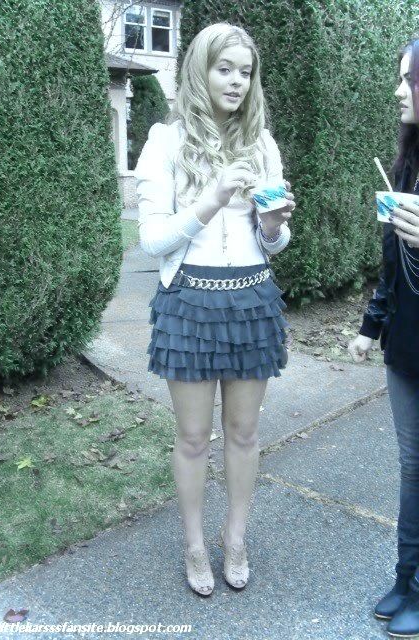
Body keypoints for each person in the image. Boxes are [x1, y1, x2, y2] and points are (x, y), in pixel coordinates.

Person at [134, 22, 295, 596]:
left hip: (252, 298)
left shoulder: (263, 146)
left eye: (245, 71)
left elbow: (273, 243)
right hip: (190, 303)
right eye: (224, 68)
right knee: (195, 437)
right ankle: (195, 544)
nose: (236, 81)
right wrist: (212, 198)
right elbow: (152, 241)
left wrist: (273, 226)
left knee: (246, 434)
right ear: (200, 72)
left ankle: (237, 537)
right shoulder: (165, 142)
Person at [348, 37, 419, 638]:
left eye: (409, 79)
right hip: (406, 346)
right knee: (412, 467)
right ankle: (407, 579)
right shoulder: (408, 161)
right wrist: (372, 326)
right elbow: (391, 262)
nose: (399, 89)